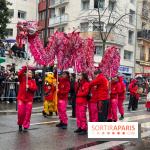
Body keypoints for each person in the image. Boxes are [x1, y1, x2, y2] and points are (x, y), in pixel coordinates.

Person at [17, 62, 37, 132]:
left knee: (28, 113)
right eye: (29, 72)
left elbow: (35, 89)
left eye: (31, 73)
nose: (30, 73)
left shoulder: (33, 81)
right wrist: (25, 68)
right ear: (26, 73)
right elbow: (19, 74)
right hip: (21, 99)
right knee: (21, 113)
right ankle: (20, 124)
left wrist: (30, 87)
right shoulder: (22, 79)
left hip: (29, 100)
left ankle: (26, 126)